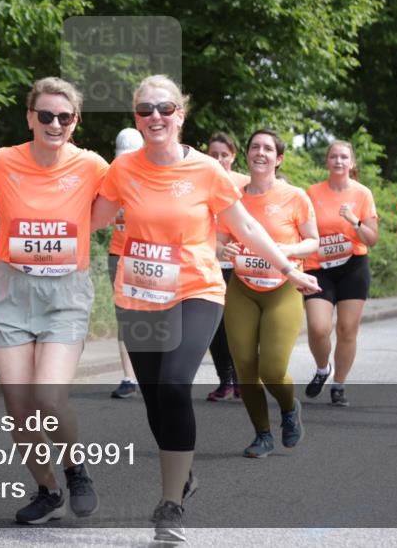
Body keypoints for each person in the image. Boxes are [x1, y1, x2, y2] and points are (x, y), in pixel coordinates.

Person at [90, 75, 320, 544]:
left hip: (196, 288)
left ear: (181, 114)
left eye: (165, 108)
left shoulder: (206, 171)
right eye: (145, 110)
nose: (155, 117)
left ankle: (170, 504)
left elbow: (248, 228)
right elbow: (88, 219)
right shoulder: (122, 170)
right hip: (139, 292)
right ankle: (186, 476)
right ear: (136, 117)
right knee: (155, 400)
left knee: (175, 385)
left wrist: (288, 268)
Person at [0, 76, 108, 524]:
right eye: (46, 115)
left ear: (75, 122)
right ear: (30, 117)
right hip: (11, 292)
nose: (55, 123)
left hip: (65, 294)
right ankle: (48, 490)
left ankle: (76, 472)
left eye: (64, 117)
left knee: (49, 399)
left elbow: (117, 207)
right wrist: (2, 243)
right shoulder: (0, 163)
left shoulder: (93, 166)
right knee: (19, 407)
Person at [221, 129, 319, 458]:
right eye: (254, 147)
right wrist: (224, 248)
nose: (260, 153)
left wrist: (287, 249)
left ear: (279, 160)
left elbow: (313, 241)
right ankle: (262, 435)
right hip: (242, 288)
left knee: (272, 369)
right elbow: (217, 239)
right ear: (246, 155)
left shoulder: (295, 196)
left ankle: (290, 408)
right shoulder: (232, 196)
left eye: (268, 149)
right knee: (245, 366)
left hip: (283, 288)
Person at [303, 140, 379, 408]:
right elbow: (301, 230)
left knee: (347, 329)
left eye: (343, 157)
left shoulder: (362, 194)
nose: (338, 161)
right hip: (318, 266)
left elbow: (372, 239)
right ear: (326, 162)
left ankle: (339, 384)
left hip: (353, 266)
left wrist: (354, 221)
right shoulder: (311, 193)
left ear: (352, 163)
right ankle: (322, 369)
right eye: (333, 156)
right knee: (318, 327)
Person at [206, 131, 249, 401]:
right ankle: (226, 380)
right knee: (214, 326)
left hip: (238, 263)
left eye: (225, 154)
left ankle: (243, 378)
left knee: (238, 325)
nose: (220, 159)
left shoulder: (244, 184)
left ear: (233, 156)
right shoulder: (199, 178)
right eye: (214, 155)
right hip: (206, 261)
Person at [110, 128, 145, 399]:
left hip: (148, 254)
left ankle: (153, 372)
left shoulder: (155, 177)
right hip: (119, 253)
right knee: (126, 317)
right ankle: (128, 377)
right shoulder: (112, 176)